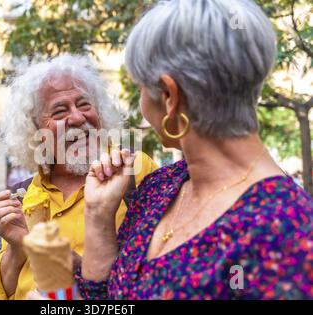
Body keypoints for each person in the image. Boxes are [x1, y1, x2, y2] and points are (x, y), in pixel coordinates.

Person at [78, 0, 312, 299]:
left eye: (139, 88)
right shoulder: (159, 188)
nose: (140, 106)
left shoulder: (285, 231)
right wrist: (98, 215)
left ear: (169, 96)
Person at [0, 55, 159, 300]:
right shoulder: (22, 195)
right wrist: (19, 246)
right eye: (59, 111)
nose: (77, 118)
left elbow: (159, 272)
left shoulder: (134, 170)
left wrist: (69, 268)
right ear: (36, 131)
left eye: (84, 104)